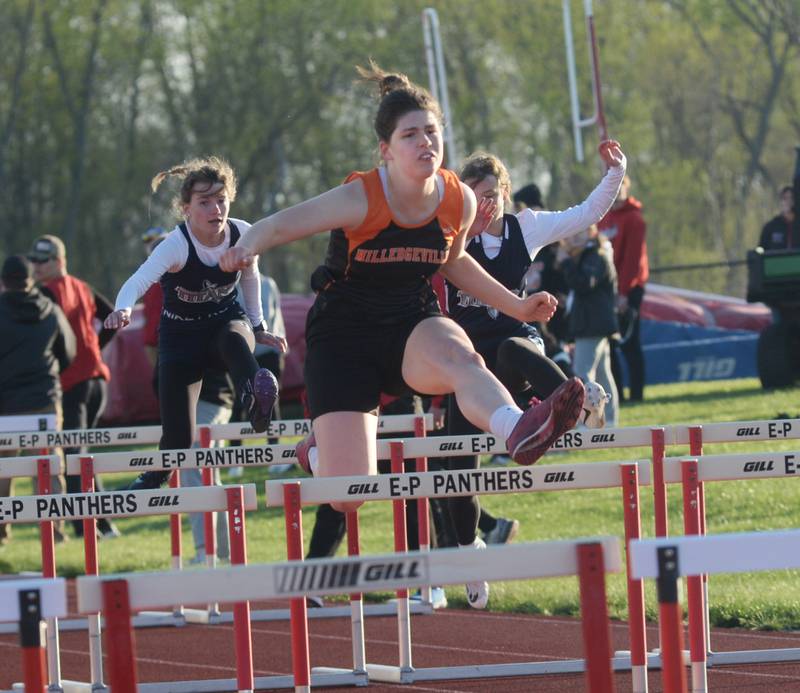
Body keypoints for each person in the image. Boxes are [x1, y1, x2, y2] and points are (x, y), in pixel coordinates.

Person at [223, 62, 586, 500]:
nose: (425, 142)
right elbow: (280, 225)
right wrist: (247, 247)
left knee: (463, 359)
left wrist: (517, 307)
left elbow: (453, 263)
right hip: (344, 336)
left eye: (431, 132)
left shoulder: (459, 199)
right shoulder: (361, 197)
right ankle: (316, 453)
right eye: (410, 135)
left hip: (411, 321)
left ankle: (517, 429)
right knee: (351, 493)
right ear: (386, 150)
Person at [435, 147, 623, 608]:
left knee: (514, 346)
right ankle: (469, 553)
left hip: (515, 351)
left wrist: (616, 173)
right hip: (469, 366)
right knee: (458, 471)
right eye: (478, 198)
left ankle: (570, 399)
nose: (488, 206)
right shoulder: (451, 238)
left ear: (505, 191)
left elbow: (585, 214)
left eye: (494, 194)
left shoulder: (527, 227)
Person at [104, 156, 286, 490]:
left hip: (225, 324)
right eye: (205, 202)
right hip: (181, 340)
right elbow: (138, 281)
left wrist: (258, 327)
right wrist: (124, 308)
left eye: (221, 200)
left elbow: (251, 277)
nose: (216, 209)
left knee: (234, 339)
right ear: (186, 208)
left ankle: (255, 399)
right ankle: (156, 475)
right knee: (179, 438)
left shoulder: (242, 233)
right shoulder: (175, 245)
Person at [27, 235, 120, 539]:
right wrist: (95, 345)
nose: (37, 266)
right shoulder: (82, 286)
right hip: (96, 382)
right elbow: (114, 318)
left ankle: (94, 527)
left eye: (43, 260)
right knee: (80, 457)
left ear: (60, 261)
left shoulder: (45, 292)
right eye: (34, 260)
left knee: (75, 459)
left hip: (73, 384)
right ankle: (94, 526)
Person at [0, 255, 75, 545]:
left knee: (4, 469)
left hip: (6, 403)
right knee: (48, 463)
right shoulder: (50, 309)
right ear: (30, 280)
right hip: (44, 398)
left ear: (4, 281)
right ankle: (54, 529)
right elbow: (67, 352)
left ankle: (2, 532)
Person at [558, 225, 620, 427]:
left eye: (581, 232)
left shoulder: (596, 254)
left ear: (593, 232)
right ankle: (608, 421)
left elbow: (584, 283)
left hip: (593, 325)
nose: (575, 237)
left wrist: (566, 262)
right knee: (602, 373)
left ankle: (589, 423)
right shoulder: (588, 254)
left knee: (583, 374)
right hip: (593, 324)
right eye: (573, 233)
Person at [597, 174, 648, 403]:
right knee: (610, 344)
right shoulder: (603, 217)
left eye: (620, 188)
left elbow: (632, 259)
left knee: (630, 342)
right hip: (608, 289)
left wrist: (624, 293)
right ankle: (617, 394)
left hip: (629, 289)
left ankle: (637, 394)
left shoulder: (634, 219)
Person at [758, 186, 796, 250]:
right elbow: (760, 248)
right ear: (781, 202)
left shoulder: (797, 225)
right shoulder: (771, 227)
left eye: (791, 198)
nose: (788, 202)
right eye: (785, 198)